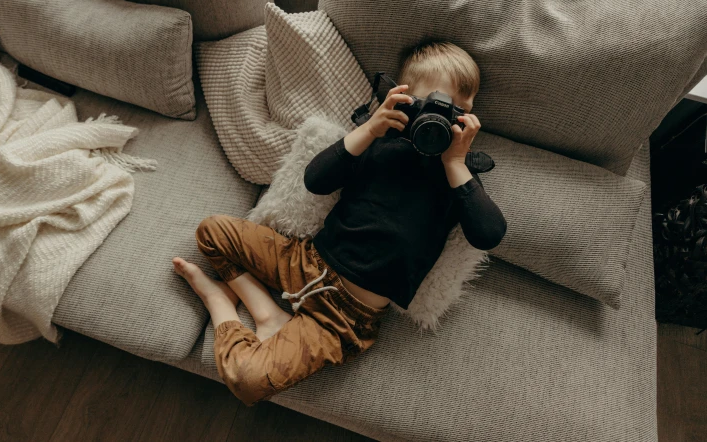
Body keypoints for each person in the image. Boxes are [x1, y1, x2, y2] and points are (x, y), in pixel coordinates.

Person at [173, 41, 507, 406]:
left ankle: (219, 303)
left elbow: (488, 234)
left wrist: (456, 164)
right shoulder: (377, 142)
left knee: (246, 381)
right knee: (212, 231)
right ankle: (264, 312)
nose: (446, 117)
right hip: (304, 261)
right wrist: (371, 129)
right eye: (439, 104)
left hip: (346, 316)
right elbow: (315, 181)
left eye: (461, 111)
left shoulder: (458, 172)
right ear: (404, 97)